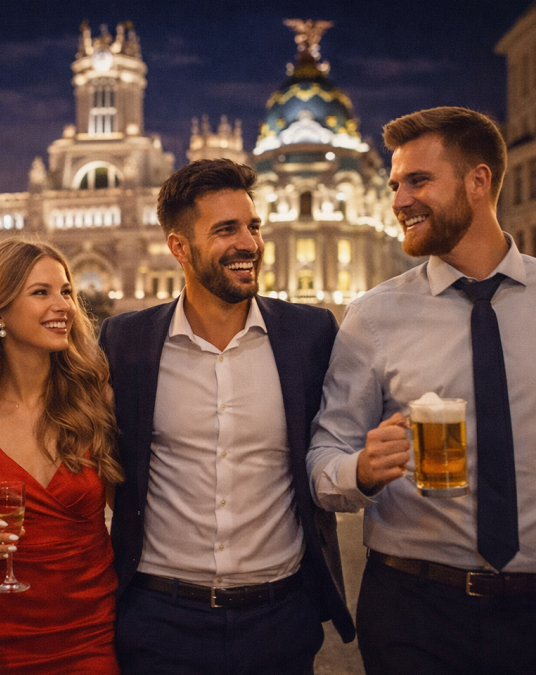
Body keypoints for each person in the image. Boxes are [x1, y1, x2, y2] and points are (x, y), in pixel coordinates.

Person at [307, 106, 536, 674]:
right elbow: (324, 458)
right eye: (395, 184)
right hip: (410, 610)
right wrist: (362, 471)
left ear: (478, 181)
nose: (398, 201)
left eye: (418, 181)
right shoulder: (373, 314)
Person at [99, 158, 355, 674]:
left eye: (253, 227)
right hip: (158, 618)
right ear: (179, 247)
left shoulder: (310, 335)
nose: (249, 243)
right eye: (225, 230)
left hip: (278, 618)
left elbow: (334, 448)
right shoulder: (124, 341)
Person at [0, 239, 123, 674]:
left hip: (88, 635)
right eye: (41, 292)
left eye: (66, 291)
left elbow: (131, 510)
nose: (64, 306)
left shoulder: (98, 400)